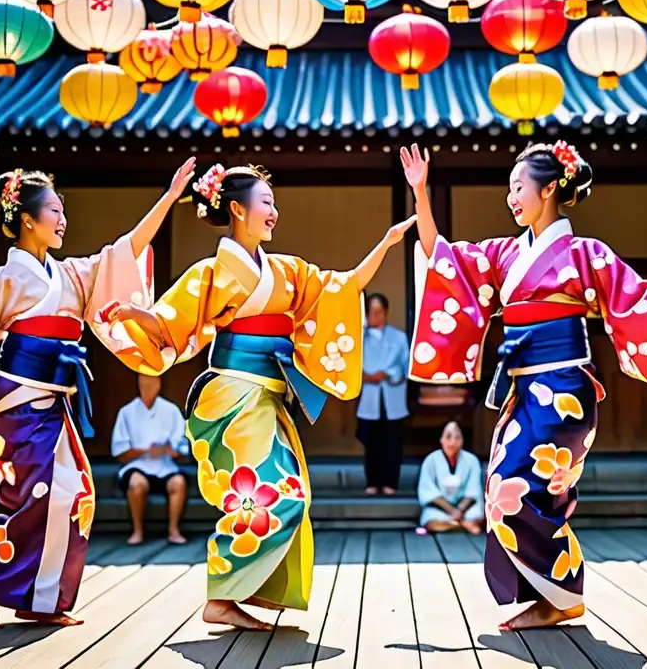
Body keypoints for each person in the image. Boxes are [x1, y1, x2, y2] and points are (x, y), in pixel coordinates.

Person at [402, 141, 647, 632]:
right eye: (509, 188)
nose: (510, 197)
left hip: (565, 391)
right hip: (524, 392)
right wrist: (421, 193)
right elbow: (442, 258)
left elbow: (633, 297)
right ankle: (559, 595)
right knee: (506, 492)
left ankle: (561, 598)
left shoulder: (583, 252)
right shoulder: (506, 253)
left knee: (516, 490)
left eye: (518, 187)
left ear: (549, 188)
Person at [0, 157, 195, 630]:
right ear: (27, 220)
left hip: (54, 403)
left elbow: (126, 251)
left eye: (64, 209)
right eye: (55, 210)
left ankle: (38, 599)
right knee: (40, 494)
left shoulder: (72, 274)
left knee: (75, 495)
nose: (63, 218)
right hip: (15, 402)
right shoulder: (4, 280)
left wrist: (169, 198)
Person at [103, 164, 415, 631]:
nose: (274, 211)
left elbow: (345, 285)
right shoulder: (211, 272)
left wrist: (387, 243)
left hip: (267, 400)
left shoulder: (285, 270)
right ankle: (223, 594)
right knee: (272, 494)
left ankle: (246, 587)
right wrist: (132, 313)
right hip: (232, 398)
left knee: (292, 496)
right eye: (265, 202)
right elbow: (169, 322)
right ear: (237, 209)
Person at [111, 374, 189, 546]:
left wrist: (168, 450)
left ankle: (174, 530)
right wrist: (145, 450)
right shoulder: (127, 412)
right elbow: (119, 451)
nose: (146, 387)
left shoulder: (171, 410)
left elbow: (183, 448)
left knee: (178, 483)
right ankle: (138, 530)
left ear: (159, 384)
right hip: (138, 465)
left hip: (165, 465)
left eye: (150, 383)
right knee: (137, 484)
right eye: (142, 383)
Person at [357, 293, 410, 496]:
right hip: (369, 395)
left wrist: (386, 374)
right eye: (371, 312)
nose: (375, 316)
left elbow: (406, 367)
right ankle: (372, 481)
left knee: (392, 442)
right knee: (371, 442)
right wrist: (365, 376)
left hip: (392, 393)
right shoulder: (360, 337)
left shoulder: (398, 337)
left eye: (379, 312)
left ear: (386, 312)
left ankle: (391, 482)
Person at [418, 421, 484, 534]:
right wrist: (452, 511)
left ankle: (453, 525)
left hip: (465, 509)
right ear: (441, 439)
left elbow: (473, 490)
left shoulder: (471, 460)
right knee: (430, 520)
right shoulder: (431, 460)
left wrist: (460, 511)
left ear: (462, 440)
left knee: (476, 514)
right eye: (448, 437)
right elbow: (427, 490)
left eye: (457, 437)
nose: (452, 441)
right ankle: (463, 525)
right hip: (440, 508)